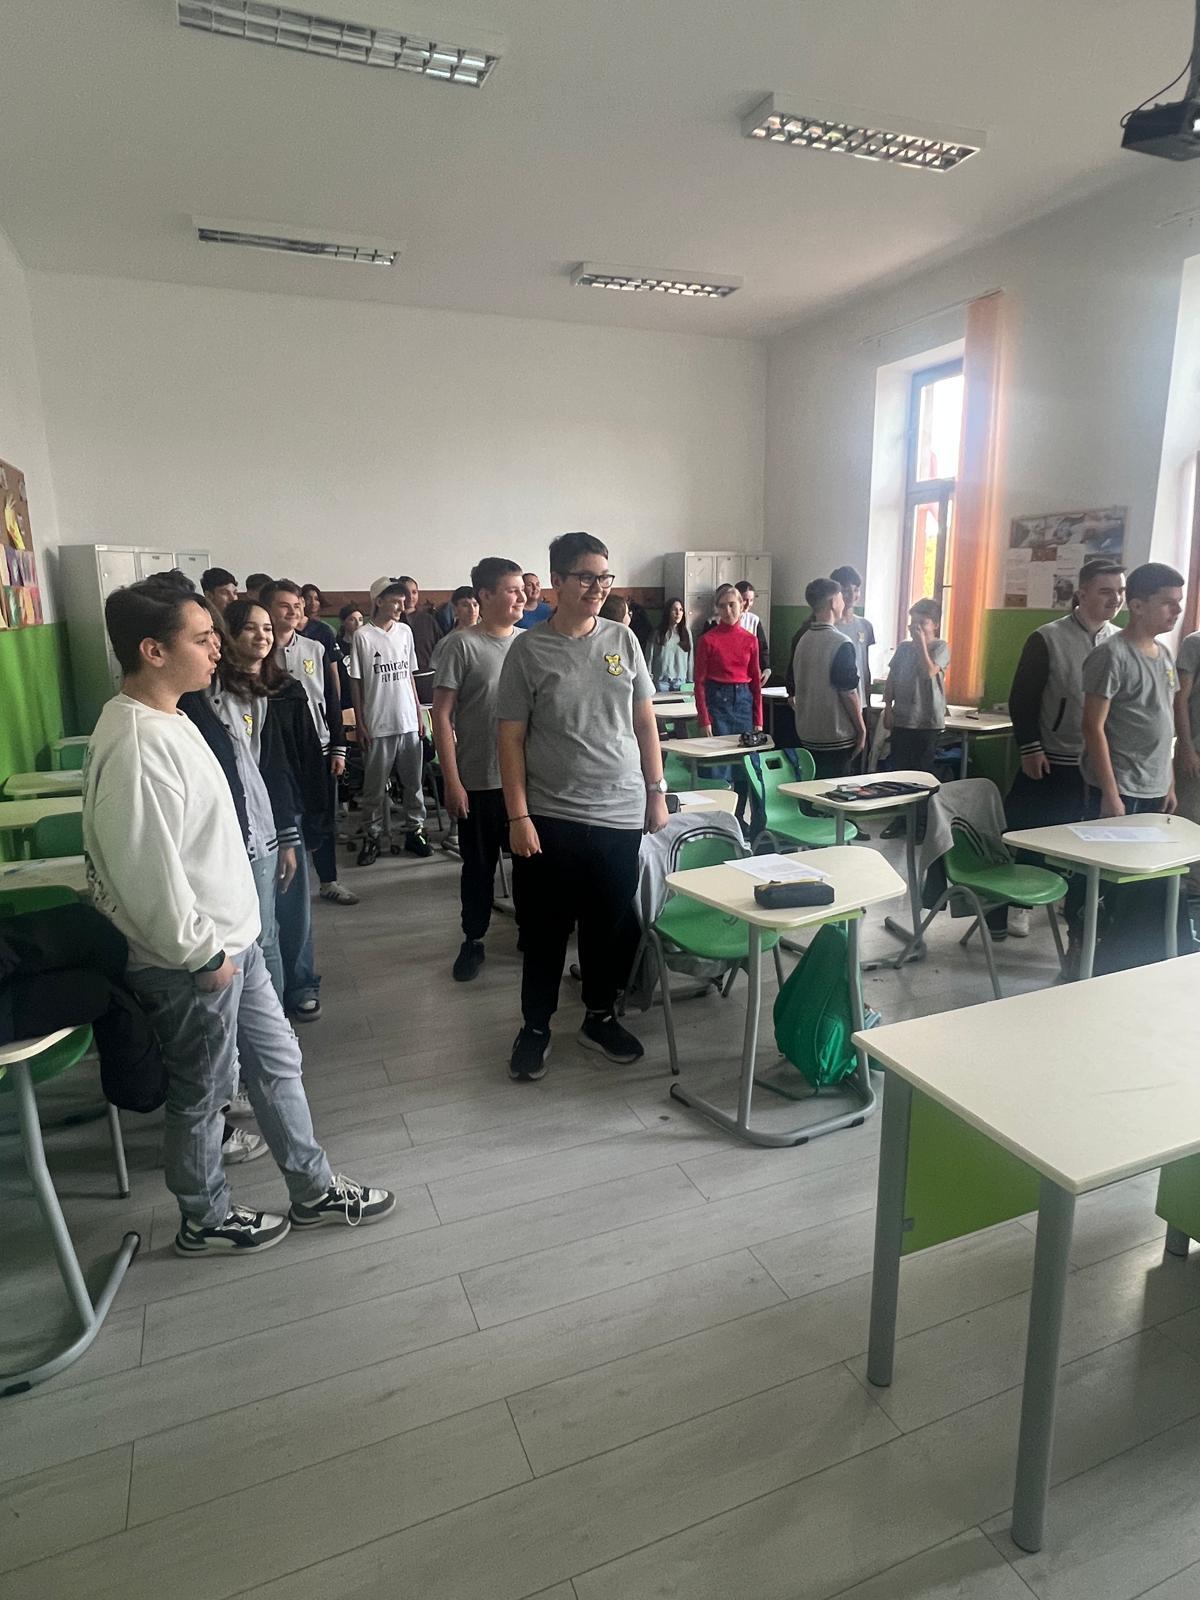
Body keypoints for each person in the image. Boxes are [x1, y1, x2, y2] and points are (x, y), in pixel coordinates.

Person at [83, 579, 394, 1254]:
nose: (217, 650)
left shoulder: (174, 716)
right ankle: (204, 1217)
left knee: (279, 1064)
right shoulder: (137, 741)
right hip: (195, 959)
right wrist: (203, 955)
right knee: (204, 1092)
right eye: (202, 639)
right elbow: (145, 871)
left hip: (233, 943)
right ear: (152, 650)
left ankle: (312, 1189)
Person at [498, 531, 668, 1080]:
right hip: (551, 816)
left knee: (608, 926)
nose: (598, 587)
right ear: (557, 581)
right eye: (586, 577)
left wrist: (656, 790)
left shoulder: (623, 639)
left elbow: (644, 721)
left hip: (620, 812)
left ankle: (599, 1016)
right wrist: (518, 816)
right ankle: (536, 1026)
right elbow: (510, 739)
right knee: (545, 932)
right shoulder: (529, 650)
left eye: (604, 577)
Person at [1081, 562, 1188, 971]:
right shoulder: (1111, 655)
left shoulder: (1164, 654)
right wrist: (1110, 794)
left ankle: (1143, 962)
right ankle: (1095, 957)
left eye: (1180, 603)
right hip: (1120, 788)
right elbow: (1092, 727)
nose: (1177, 611)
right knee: (1114, 884)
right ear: (1138, 606)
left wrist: (1169, 781)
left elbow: (1164, 722)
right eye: (1168, 603)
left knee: (1150, 882)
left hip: (1155, 787)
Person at [432, 557, 526, 982]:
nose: (521, 597)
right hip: (480, 778)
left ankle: (530, 931)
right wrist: (452, 781)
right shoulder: (461, 645)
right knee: (479, 868)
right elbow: (441, 715)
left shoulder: (529, 643)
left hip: (526, 781)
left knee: (530, 864)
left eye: (522, 589)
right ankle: (473, 939)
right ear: (484, 596)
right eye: (511, 590)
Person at [262, 578, 356, 908]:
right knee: (283, 818)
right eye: (284, 606)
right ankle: (285, 886)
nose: (292, 612)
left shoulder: (314, 648)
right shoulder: (258, 651)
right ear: (267, 609)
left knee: (321, 816)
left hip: (319, 746)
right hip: (275, 752)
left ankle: (328, 880)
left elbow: (331, 698)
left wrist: (339, 746)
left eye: (297, 606)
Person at [346, 577, 432, 864]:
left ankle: (415, 830)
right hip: (378, 724)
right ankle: (372, 836)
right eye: (395, 601)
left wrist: (418, 713)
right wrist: (361, 722)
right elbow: (356, 682)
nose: (400, 606)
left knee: (413, 784)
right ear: (379, 601)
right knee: (374, 788)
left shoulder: (405, 632)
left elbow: (409, 676)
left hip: (407, 721)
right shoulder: (362, 636)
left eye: (403, 601)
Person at [693, 582, 764, 831]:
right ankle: (719, 819)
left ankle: (739, 818)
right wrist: (704, 718)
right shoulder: (708, 640)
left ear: (742, 606)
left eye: (732, 605)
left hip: (743, 701)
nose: (728, 611)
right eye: (722, 606)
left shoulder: (750, 640)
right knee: (719, 766)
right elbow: (699, 683)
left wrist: (758, 719)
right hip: (718, 701)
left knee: (744, 766)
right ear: (717, 609)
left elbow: (755, 682)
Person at [787, 577, 865, 778]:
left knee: (812, 788)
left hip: (807, 732)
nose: (844, 602)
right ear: (833, 602)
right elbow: (847, 692)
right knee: (835, 790)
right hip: (836, 734)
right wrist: (861, 728)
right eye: (841, 597)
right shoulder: (840, 642)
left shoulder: (803, 638)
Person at [883, 599, 949, 773]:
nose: (916, 628)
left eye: (922, 623)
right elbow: (892, 678)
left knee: (921, 770)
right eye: (913, 622)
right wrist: (888, 707)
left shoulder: (940, 647)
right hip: (902, 718)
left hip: (927, 721)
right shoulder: (904, 648)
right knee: (899, 768)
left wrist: (921, 645)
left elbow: (929, 671)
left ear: (935, 625)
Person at [829, 565, 876, 710]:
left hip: (860, 698)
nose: (851, 595)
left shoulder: (865, 625)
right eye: (846, 590)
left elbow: (865, 665)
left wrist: (867, 697)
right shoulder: (830, 627)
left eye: (855, 590)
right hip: (835, 699)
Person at [395, 575, 446, 672]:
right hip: (402, 673)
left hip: (428, 672)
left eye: (414, 592)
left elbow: (440, 647)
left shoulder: (428, 620)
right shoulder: (394, 621)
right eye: (406, 593)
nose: (411, 596)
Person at [650, 597, 692, 692]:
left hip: (680, 681)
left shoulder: (686, 633)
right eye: (674, 610)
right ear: (668, 612)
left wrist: (690, 680)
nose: (678, 613)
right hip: (661, 681)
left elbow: (690, 658)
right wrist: (648, 678)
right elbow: (649, 658)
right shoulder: (658, 633)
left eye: (681, 610)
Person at [734, 580, 771, 687]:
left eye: (751, 600)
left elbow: (762, 647)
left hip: (749, 673)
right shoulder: (721, 620)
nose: (748, 604)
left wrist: (766, 668)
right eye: (744, 600)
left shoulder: (754, 620)